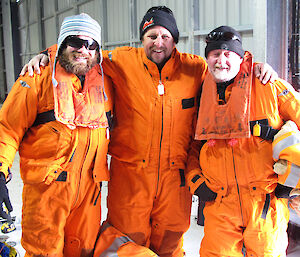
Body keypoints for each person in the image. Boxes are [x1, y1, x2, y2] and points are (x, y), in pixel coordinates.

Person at [20, 7, 277, 257]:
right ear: (142, 39)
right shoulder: (120, 61)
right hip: (131, 177)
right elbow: (83, 52)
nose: (158, 43)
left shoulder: (196, 68)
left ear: (174, 40)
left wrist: (255, 68)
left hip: (174, 181)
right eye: (151, 36)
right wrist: (49, 54)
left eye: (165, 36)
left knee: (170, 243)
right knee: (125, 241)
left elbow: (226, 69)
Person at [0, 13, 113, 257]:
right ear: (62, 42)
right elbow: (8, 127)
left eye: (91, 44)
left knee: (83, 250)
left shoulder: (105, 79)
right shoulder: (37, 77)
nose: (83, 49)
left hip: (89, 193)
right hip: (47, 192)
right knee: (44, 252)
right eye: (75, 41)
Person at [186, 25, 300, 256]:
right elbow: (190, 147)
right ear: (207, 58)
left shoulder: (269, 85)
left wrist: (296, 187)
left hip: (265, 202)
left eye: (228, 54)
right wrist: (196, 181)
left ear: (240, 57)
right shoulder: (199, 94)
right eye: (215, 54)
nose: (221, 61)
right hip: (220, 204)